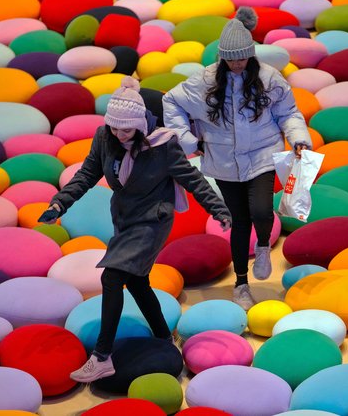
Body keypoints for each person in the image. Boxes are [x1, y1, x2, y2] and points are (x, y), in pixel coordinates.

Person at [38, 76, 232, 383]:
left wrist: (218, 208)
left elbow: (192, 180)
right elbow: (87, 173)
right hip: (125, 219)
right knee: (139, 282)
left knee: (112, 276)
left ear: (141, 125)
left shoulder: (163, 146)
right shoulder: (105, 138)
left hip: (153, 221)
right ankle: (164, 337)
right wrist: (59, 204)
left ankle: (102, 357)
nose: (119, 134)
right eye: (114, 127)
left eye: (126, 129)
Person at [162, 7, 312, 311]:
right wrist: (190, 140)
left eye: (242, 58)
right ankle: (241, 284)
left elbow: (289, 113)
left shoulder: (269, 78)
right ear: (221, 57)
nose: (236, 64)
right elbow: (171, 101)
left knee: (260, 210)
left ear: (251, 55)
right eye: (230, 59)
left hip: (263, 154)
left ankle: (264, 246)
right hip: (223, 161)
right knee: (238, 220)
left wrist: (298, 138)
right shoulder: (204, 81)